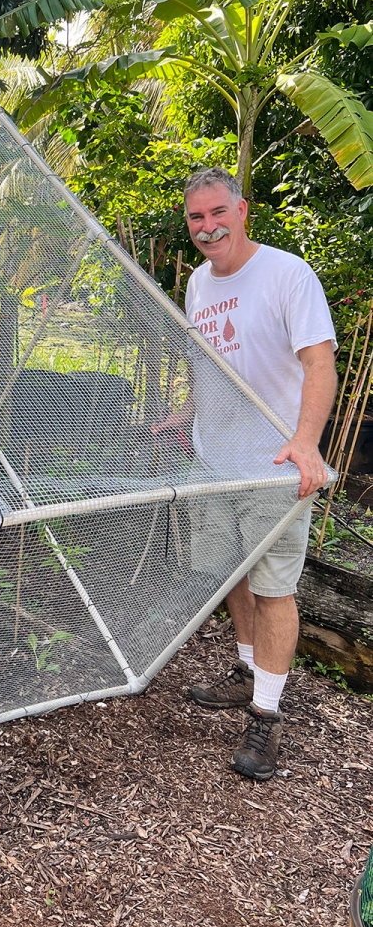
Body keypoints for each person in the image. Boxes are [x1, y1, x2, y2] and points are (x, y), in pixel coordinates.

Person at [154, 167, 337, 781]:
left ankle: (267, 716)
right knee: (230, 574)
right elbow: (215, 364)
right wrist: (185, 414)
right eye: (195, 219)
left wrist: (306, 444)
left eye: (217, 214)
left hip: (274, 467)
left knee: (273, 588)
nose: (207, 228)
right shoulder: (199, 286)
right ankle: (245, 668)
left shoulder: (287, 274)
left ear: (242, 211)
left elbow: (319, 365)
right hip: (215, 461)